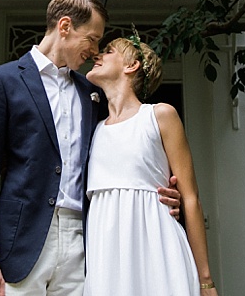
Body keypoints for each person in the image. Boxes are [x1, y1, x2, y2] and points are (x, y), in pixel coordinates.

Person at [0, 0, 181, 296]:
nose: (95, 51)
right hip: (21, 243)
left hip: (86, 244)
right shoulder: (2, 81)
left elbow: (118, 150)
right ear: (64, 27)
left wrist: (162, 192)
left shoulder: (90, 92)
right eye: (92, 38)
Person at [83, 35, 219, 296]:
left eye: (108, 51)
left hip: (158, 250)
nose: (97, 56)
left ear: (131, 65)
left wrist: (206, 280)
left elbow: (190, 198)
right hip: (106, 259)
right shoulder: (94, 129)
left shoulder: (160, 115)